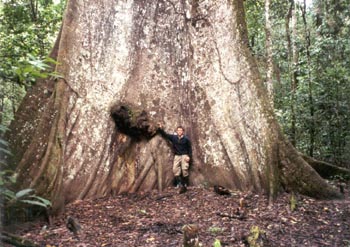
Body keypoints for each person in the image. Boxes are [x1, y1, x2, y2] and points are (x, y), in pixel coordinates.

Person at [158, 124, 192, 193]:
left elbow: (190, 148)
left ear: (183, 131)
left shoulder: (186, 139)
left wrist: (189, 156)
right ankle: (179, 183)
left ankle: (185, 184)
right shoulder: (174, 137)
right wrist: (160, 129)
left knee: (184, 169)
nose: (179, 132)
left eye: (181, 130)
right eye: (178, 130)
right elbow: (165, 135)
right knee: (175, 169)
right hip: (177, 155)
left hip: (184, 155)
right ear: (176, 131)